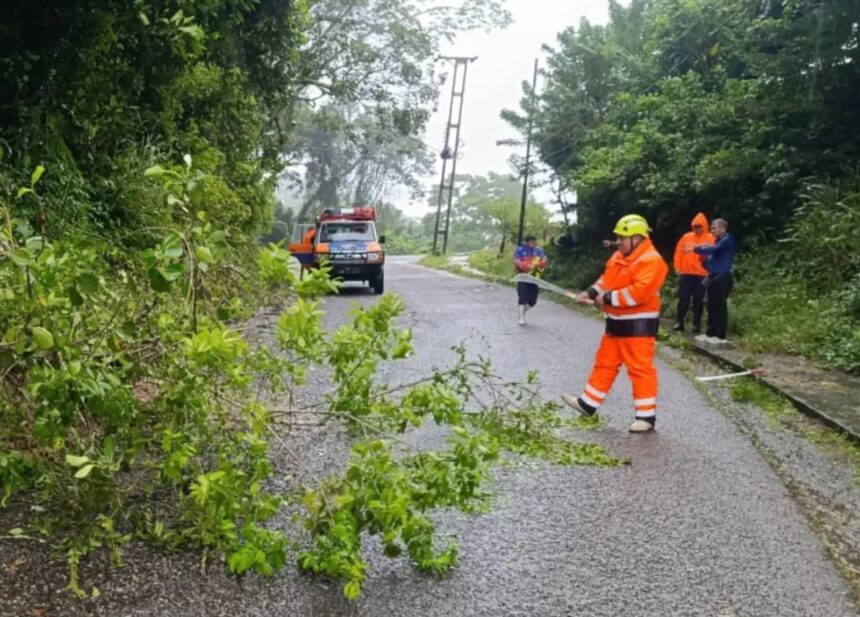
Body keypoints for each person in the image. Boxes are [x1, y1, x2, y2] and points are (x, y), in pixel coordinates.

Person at [562, 214, 668, 433]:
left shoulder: (652, 260)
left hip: (638, 326)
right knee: (604, 363)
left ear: (637, 238)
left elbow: (638, 293)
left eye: (622, 238)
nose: (617, 241)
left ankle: (646, 417)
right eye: (618, 237)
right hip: (616, 322)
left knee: (640, 370)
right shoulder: (619, 256)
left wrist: (606, 299)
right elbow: (606, 279)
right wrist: (590, 293)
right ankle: (588, 403)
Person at [691, 218, 736, 344]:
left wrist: (697, 248)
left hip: (722, 276)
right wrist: (703, 261)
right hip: (713, 276)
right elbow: (711, 261)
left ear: (723, 228)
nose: (712, 230)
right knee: (711, 305)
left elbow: (713, 249)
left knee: (719, 306)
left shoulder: (727, 239)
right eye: (711, 228)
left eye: (714, 228)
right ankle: (710, 333)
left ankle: (720, 335)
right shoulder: (717, 240)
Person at [672, 212, 714, 333]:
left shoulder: (711, 238)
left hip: (702, 274)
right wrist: (677, 267)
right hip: (686, 273)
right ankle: (679, 322)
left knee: (698, 300)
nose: (697, 229)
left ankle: (696, 323)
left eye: (699, 226)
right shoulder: (686, 237)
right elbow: (678, 253)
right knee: (683, 299)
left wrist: (710, 271)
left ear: (704, 226)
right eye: (695, 227)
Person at [513, 235, 548, 326]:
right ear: (526, 242)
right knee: (522, 297)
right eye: (531, 242)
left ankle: (523, 312)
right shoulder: (520, 250)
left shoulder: (538, 250)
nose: (533, 244)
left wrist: (542, 263)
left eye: (534, 242)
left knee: (532, 301)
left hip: (534, 277)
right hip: (523, 277)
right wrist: (523, 265)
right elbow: (516, 260)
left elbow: (544, 259)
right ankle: (521, 317)